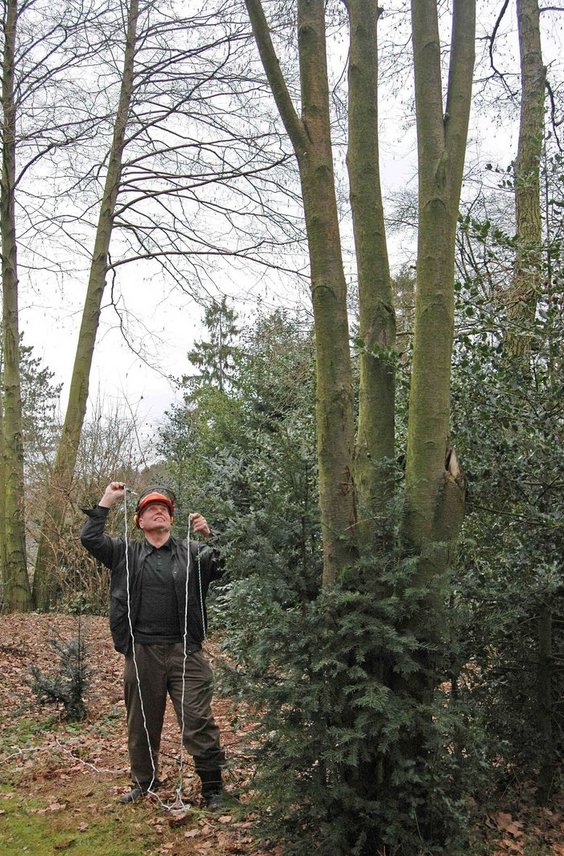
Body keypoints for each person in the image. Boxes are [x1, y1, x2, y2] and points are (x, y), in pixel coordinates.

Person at [80, 481, 229, 808]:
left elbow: (224, 567)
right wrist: (107, 500)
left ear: (170, 520)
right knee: (142, 723)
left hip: (186, 652)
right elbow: (90, 538)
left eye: (163, 508)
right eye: (150, 509)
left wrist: (210, 535)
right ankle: (144, 783)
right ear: (140, 522)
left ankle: (214, 790)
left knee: (197, 720)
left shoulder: (192, 552)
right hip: (142, 652)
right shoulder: (124, 553)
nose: (158, 511)